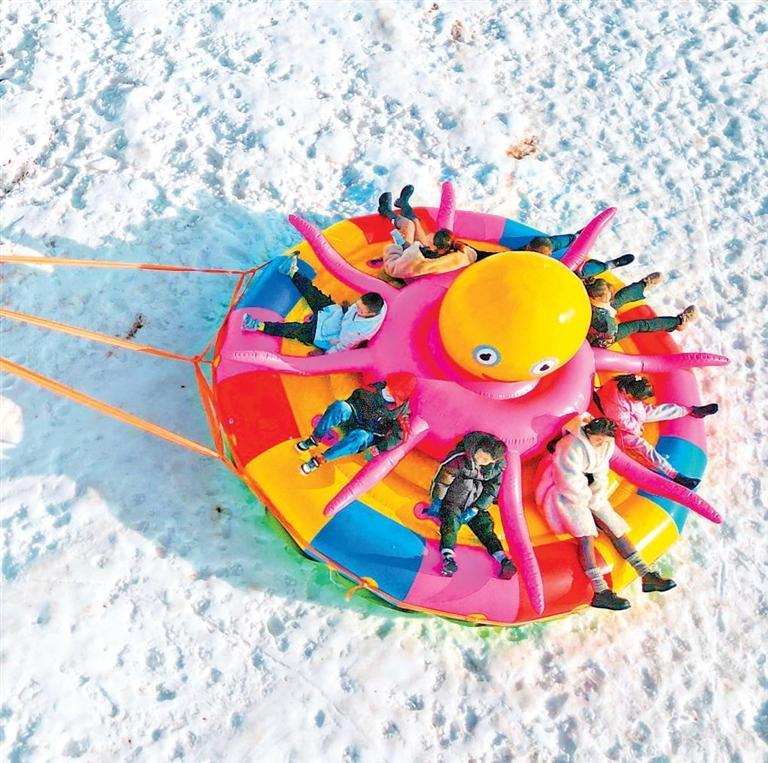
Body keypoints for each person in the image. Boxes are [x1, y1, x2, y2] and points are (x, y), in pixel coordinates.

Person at [535, 416, 676, 610]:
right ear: (588, 433)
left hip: (588, 488)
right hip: (563, 491)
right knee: (585, 534)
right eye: (598, 440)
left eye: (605, 441)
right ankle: (600, 590)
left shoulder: (606, 446)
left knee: (614, 526)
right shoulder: (570, 446)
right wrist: (585, 499)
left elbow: (601, 474)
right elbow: (566, 480)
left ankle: (646, 574)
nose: (601, 444)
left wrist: (596, 496)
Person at [242, 253, 386, 353]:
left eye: (360, 310)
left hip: (324, 335)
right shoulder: (377, 304)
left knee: (294, 330)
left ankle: (256, 325)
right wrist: (348, 309)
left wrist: (324, 353)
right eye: (358, 305)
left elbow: (342, 348)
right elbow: (358, 307)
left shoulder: (356, 332)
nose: (357, 309)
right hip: (334, 314)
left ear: (370, 314)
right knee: (313, 293)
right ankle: (292, 271)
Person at [597, 374, 718, 489]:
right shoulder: (614, 406)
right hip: (616, 426)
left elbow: (637, 408)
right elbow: (625, 424)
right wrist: (638, 427)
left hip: (629, 412)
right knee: (642, 446)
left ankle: (691, 411)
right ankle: (673, 474)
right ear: (629, 394)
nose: (639, 401)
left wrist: (640, 415)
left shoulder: (626, 384)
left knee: (658, 411)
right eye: (637, 399)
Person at [424, 431, 516, 579]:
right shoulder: (460, 458)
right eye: (479, 454)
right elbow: (443, 478)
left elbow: (492, 490)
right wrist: (437, 500)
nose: (480, 459)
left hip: (474, 503)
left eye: (486, 459)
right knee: (451, 523)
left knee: (485, 527)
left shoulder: (495, 469)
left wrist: (476, 508)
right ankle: (448, 557)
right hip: (453, 501)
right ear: (476, 449)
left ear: (493, 461)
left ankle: (503, 559)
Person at [296, 373, 416, 475]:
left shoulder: (401, 412)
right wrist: (347, 409)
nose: (390, 393)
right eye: (390, 389)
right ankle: (315, 438)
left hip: (368, 431)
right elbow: (357, 394)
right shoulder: (376, 388)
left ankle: (321, 459)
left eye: (395, 394)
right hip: (354, 416)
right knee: (340, 406)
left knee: (360, 437)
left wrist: (380, 448)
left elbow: (399, 436)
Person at [377, 187, 478, 278]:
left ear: (434, 248)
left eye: (432, 236)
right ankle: (403, 204)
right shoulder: (454, 251)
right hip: (423, 252)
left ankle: (385, 211)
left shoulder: (415, 260)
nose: (431, 234)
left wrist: (395, 248)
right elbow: (474, 254)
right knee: (416, 223)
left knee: (408, 225)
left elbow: (392, 268)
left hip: (406, 258)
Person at [585, 273, 698, 348]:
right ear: (596, 298)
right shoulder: (601, 317)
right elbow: (610, 331)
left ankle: (644, 284)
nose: (610, 295)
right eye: (607, 295)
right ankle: (679, 321)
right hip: (601, 339)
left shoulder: (587, 296)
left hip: (601, 315)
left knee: (621, 296)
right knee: (639, 325)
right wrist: (608, 334)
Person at [522, 235, 636, 278]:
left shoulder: (527, 252)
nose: (550, 255)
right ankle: (608, 266)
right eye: (546, 254)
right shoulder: (523, 261)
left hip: (546, 266)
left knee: (548, 243)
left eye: (549, 253)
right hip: (549, 276)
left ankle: (575, 237)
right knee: (582, 273)